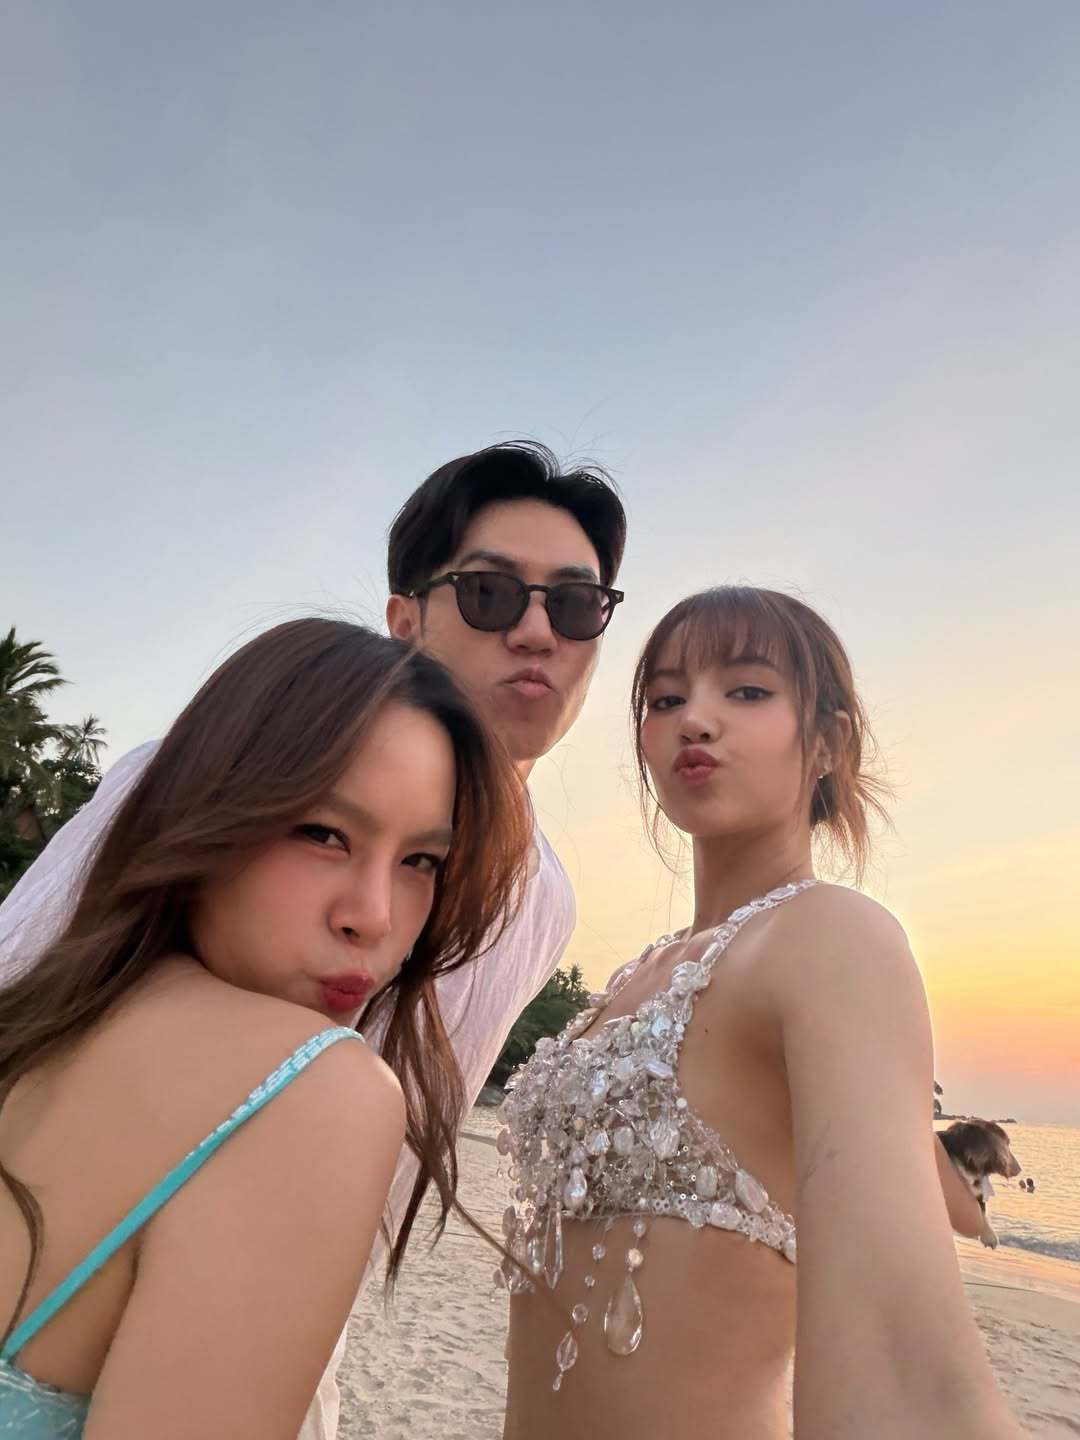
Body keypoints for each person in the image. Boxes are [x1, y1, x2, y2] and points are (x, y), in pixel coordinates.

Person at [0, 441, 629, 1439]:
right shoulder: (185, 770)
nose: (538, 631)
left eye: (577, 605)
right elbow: (35, 979)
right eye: (492, 594)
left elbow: (407, 1139)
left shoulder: (539, 896)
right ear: (404, 619)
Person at [500, 586, 1021, 1440]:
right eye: (665, 699)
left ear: (827, 743)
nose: (695, 721)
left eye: (746, 691)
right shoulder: (645, 970)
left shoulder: (829, 938)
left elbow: (902, 1362)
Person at [0, 618, 530, 1438]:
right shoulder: (315, 1089)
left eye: (420, 862)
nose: (374, 916)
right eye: (322, 834)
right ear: (209, 811)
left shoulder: (41, 1025)